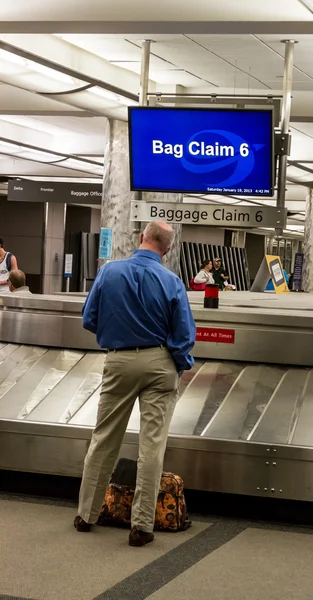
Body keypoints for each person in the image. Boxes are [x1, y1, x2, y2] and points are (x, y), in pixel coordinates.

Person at [74, 221, 196, 548]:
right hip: (160, 363)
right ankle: (141, 526)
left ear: (141, 237)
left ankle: (87, 514)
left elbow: (89, 317)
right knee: (152, 445)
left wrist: (116, 335)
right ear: (168, 248)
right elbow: (183, 335)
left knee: (104, 438)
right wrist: (178, 365)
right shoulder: (172, 281)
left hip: (118, 360)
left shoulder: (109, 273)